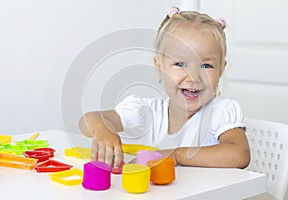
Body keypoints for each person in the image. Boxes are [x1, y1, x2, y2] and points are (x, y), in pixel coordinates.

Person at [79, 7, 250, 169]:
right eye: (180, 64)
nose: (193, 77)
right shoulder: (146, 112)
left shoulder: (220, 110)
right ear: (159, 67)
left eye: (206, 66)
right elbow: (88, 120)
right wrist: (103, 129)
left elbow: (240, 154)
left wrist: (176, 155)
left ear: (220, 70)